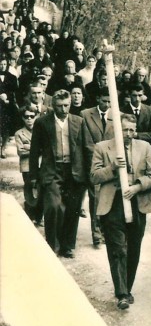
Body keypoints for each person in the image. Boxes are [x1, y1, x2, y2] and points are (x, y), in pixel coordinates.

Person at [90, 114, 151, 309]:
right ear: (117, 130)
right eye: (125, 130)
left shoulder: (145, 147)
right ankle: (122, 293)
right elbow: (94, 176)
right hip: (113, 204)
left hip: (137, 203)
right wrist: (112, 168)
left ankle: (127, 287)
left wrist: (137, 187)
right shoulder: (102, 147)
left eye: (132, 130)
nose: (129, 134)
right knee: (118, 248)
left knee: (134, 247)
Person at [29, 89, 86, 258]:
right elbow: (34, 151)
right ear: (53, 105)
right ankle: (51, 245)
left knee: (72, 208)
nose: (64, 109)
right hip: (52, 171)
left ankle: (67, 246)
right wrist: (33, 176)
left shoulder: (79, 121)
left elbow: (87, 148)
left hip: (74, 170)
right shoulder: (42, 123)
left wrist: (89, 173)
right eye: (60, 106)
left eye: (67, 105)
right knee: (53, 206)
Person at [81, 86, 115, 247]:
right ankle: (96, 235)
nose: (107, 104)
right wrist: (98, 158)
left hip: (111, 164)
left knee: (109, 197)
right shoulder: (86, 115)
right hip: (92, 163)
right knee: (94, 198)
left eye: (109, 101)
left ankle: (106, 231)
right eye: (104, 101)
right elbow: (86, 142)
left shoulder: (117, 116)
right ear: (97, 99)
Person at [15, 105, 43, 224]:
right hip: (27, 166)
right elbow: (21, 151)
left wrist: (29, 147)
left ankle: (39, 217)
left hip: (41, 165)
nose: (29, 119)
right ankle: (29, 217)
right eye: (26, 117)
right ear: (22, 118)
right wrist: (36, 149)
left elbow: (45, 148)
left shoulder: (41, 131)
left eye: (32, 116)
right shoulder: (19, 133)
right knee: (29, 191)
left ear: (36, 116)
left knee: (41, 190)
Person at [122, 84, 151, 150]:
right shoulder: (122, 111)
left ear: (143, 95)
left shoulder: (150, 111)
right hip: (127, 148)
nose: (137, 99)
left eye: (140, 95)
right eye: (134, 95)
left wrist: (136, 135)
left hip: (145, 148)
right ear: (129, 95)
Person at [0, 56, 18, 158]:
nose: (2, 67)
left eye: (4, 64)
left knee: (6, 127)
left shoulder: (12, 77)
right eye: (0, 64)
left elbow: (14, 91)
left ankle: (3, 148)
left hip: (7, 105)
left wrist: (7, 97)